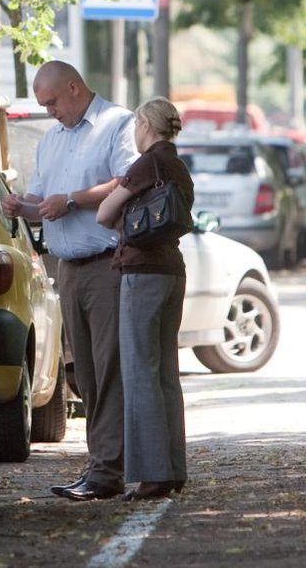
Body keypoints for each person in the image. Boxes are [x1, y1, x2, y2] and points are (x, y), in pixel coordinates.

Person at [0, 61, 138, 501]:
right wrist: (21, 206)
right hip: (67, 268)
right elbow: (44, 201)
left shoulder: (117, 124)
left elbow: (128, 181)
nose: (50, 111)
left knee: (108, 368)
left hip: (105, 263)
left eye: (53, 102)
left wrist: (74, 200)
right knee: (86, 375)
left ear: (75, 88)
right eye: (44, 105)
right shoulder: (52, 140)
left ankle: (107, 470)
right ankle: (101, 465)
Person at [96, 96, 193, 501]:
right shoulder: (179, 166)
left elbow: (104, 213)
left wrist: (118, 205)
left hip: (142, 271)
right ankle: (173, 466)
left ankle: (152, 474)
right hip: (172, 269)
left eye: (135, 126)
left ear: (143, 124)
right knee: (166, 373)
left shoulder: (146, 164)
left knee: (140, 372)